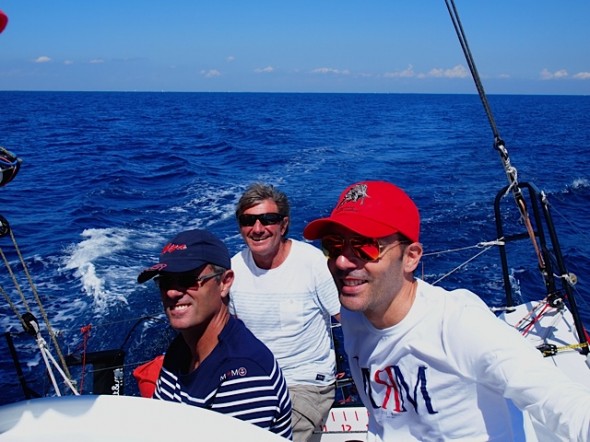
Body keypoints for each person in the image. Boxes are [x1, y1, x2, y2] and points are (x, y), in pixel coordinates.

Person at [303, 180, 590, 441]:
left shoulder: (458, 324)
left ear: (410, 257)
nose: (342, 262)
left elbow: (557, 399)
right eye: (333, 245)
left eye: (365, 247)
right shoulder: (355, 312)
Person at [137, 228, 292, 439]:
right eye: (165, 281)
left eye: (188, 279)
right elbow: (159, 425)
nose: (172, 292)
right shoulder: (181, 348)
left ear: (225, 282)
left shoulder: (242, 373)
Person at [229, 183, 341, 442]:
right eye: (248, 221)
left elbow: (349, 320)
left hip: (305, 382)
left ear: (283, 225)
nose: (258, 229)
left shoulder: (312, 264)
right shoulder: (233, 271)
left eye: (268, 219)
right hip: (254, 381)